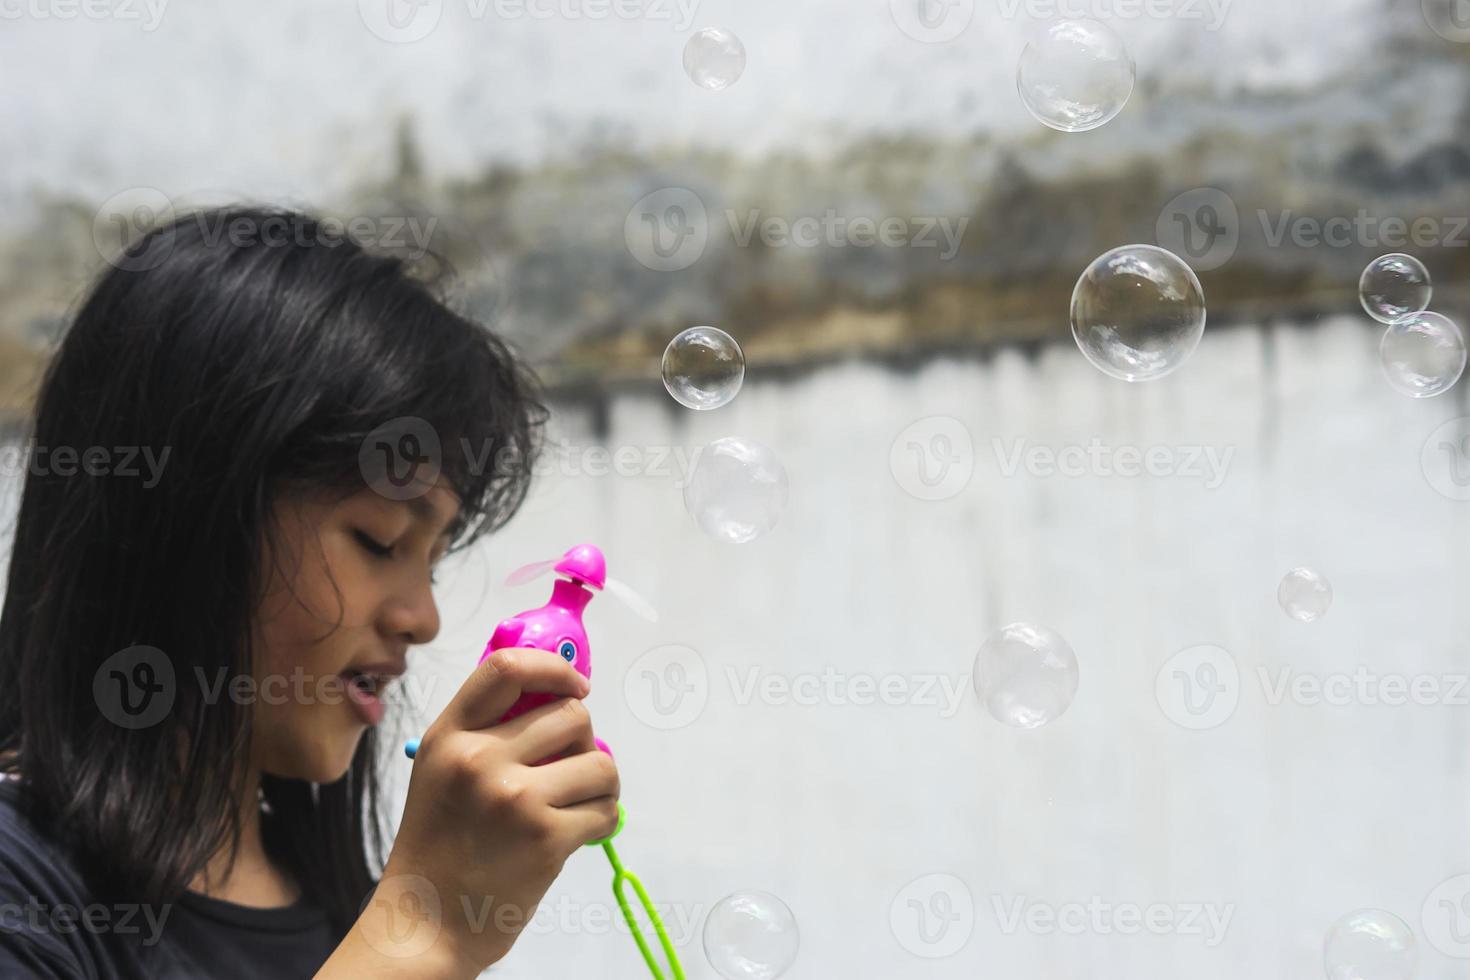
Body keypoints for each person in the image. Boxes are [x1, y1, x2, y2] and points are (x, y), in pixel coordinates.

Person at [0, 207, 621, 978]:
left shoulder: (336, 903)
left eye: (434, 558)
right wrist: (420, 932)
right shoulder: (22, 892)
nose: (421, 619)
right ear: (183, 516)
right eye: (379, 540)